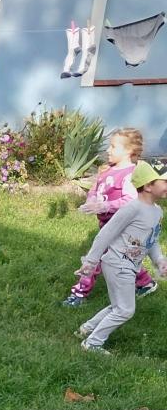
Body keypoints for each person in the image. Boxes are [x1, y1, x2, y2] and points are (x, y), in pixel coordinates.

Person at [76, 160, 167, 354]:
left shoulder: (157, 211)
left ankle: (87, 328)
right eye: (165, 182)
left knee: (119, 306)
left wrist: (159, 260)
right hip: (117, 264)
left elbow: (152, 240)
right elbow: (105, 234)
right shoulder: (132, 209)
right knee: (125, 310)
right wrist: (90, 261)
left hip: (129, 265)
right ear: (148, 186)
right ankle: (93, 343)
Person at [62, 128, 157, 306]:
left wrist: (106, 206)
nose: (108, 150)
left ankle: (79, 293)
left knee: (95, 257)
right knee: (122, 256)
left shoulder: (130, 174)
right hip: (106, 224)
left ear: (128, 151)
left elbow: (131, 200)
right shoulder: (107, 170)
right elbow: (94, 189)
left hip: (122, 226)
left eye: (113, 146)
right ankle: (145, 282)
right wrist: (91, 201)